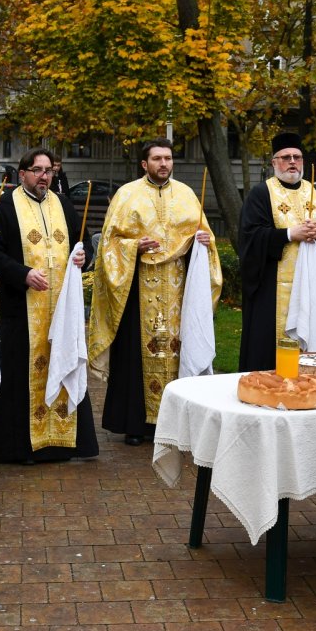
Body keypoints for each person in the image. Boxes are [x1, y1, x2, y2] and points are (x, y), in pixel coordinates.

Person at [87, 139, 221, 446]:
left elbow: (204, 239)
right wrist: (133, 246)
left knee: (178, 349)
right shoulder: (127, 195)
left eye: (168, 158)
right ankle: (136, 424)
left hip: (178, 289)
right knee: (136, 353)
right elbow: (108, 244)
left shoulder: (187, 194)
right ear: (144, 164)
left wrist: (204, 242)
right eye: (157, 159)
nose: (164, 164)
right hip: (138, 287)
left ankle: (177, 423)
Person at [0, 148, 98, 463]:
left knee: (61, 362)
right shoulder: (5, 206)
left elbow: (83, 242)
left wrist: (82, 256)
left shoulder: (63, 204)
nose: (43, 175)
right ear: (22, 174)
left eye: (49, 169)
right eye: (36, 169)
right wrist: (23, 274)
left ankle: (60, 442)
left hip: (62, 309)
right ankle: (19, 447)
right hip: (22, 310)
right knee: (19, 375)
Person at [236, 133, 316, 371]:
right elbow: (250, 237)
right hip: (272, 292)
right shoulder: (261, 194)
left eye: (297, 157)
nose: (292, 162)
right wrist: (289, 235)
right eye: (285, 157)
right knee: (269, 359)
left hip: (313, 289)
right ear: (274, 162)